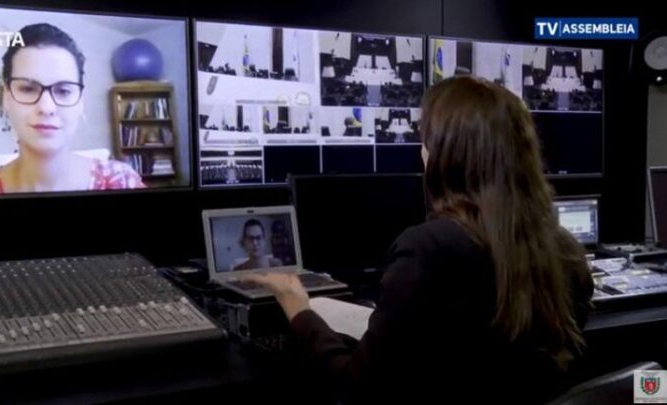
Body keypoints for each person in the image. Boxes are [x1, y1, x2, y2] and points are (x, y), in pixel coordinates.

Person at [244, 76, 594, 404]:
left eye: (427, 140)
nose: (422, 152)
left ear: (448, 155)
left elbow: (355, 387)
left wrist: (298, 309)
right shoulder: (566, 251)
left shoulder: (430, 250)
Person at [0, 23, 144, 195]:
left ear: (80, 101)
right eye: (28, 89)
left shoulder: (122, 183)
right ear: (6, 97)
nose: (47, 108)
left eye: (63, 91)